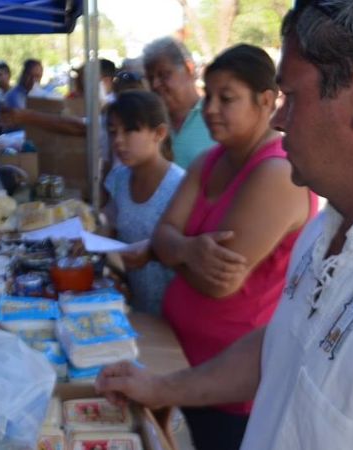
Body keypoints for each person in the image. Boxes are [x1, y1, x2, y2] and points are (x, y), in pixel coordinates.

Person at [97, 1, 353, 449]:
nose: (278, 119)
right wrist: (161, 388)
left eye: (290, 97)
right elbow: (284, 344)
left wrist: (174, 250)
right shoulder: (330, 224)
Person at [123, 44, 317, 450]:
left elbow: (218, 283)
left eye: (226, 98)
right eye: (208, 95)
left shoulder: (276, 173)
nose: (210, 108)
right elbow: (162, 234)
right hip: (179, 359)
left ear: (266, 101)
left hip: (229, 387)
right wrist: (188, 251)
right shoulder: (209, 161)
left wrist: (172, 249)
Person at [103, 91, 185, 314]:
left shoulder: (181, 186)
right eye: (113, 132)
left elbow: (186, 252)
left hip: (170, 314)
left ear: (159, 133)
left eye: (129, 130)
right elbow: (110, 221)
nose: (118, 141)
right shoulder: (119, 178)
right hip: (132, 307)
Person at [142, 37, 216, 170]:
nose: (155, 84)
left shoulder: (215, 116)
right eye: (150, 78)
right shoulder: (146, 122)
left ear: (189, 68)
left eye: (163, 75)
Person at [0, 58, 43, 133]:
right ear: (23, 74)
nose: (33, 80)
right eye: (30, 75)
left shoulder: (39, 95)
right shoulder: (13, 96)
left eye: (37, 77)